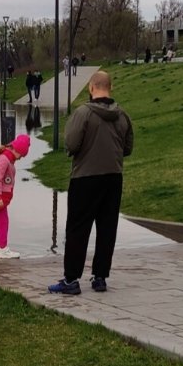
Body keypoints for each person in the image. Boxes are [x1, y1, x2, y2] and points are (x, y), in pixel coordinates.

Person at [48, 71, 134, 295]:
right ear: (110, 87)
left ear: (91, 87)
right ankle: (100, 277)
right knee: (107, 227)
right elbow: (128, 148)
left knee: (78, 227)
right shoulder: (122, 115)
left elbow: (72, 144)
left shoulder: (83, 113)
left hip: (85, 177)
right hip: (113, 177)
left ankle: (71, 280)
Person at [0, 134, 31, 259]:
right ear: (17, 150)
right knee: (2, 222)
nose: (20, 158)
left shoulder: (7, 159)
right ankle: (3, 249)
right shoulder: (4, 160)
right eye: (21, 155)